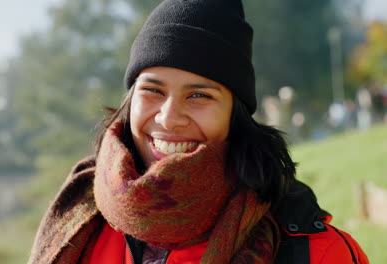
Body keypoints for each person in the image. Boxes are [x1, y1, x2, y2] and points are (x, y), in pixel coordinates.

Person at [28, 0, 369, 263]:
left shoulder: (317, 252)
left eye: (199, 95)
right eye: (153, 90)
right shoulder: (80, 218)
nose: (169, 117)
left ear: (234, 115)